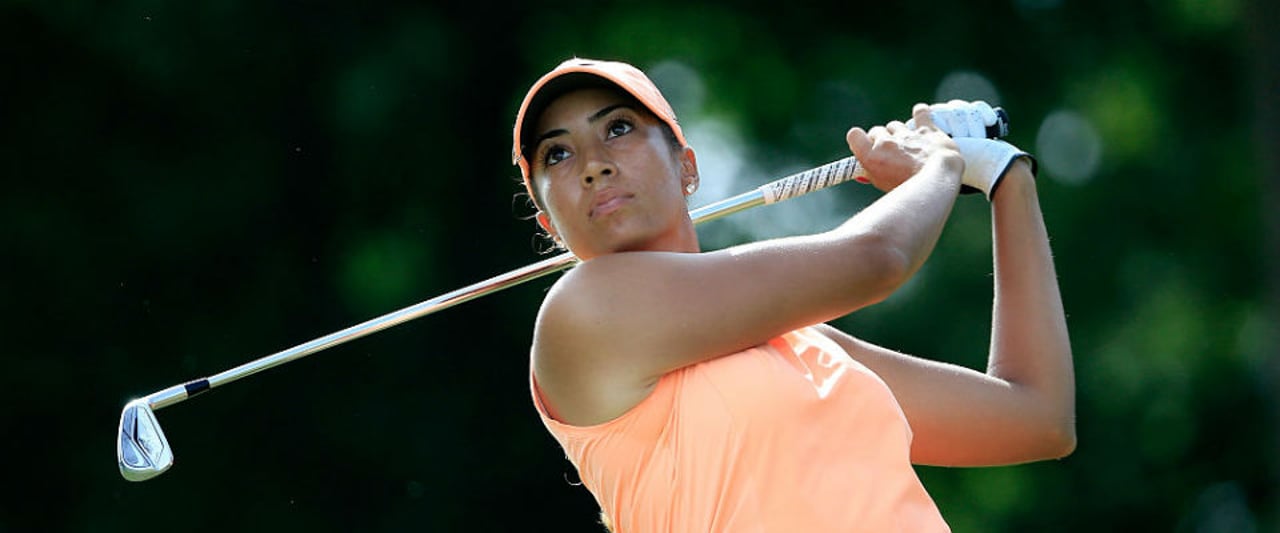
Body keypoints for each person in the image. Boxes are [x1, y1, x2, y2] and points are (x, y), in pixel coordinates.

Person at [510, 57, 1075, 532]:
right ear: (549, 223)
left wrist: (1007, 178)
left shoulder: (802, 346)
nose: (593, 166)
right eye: (557, 154)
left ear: (687, 167)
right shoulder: (582, 311)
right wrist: (940, 163)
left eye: (618, 128)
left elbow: (1036, 417)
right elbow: (878, 258)